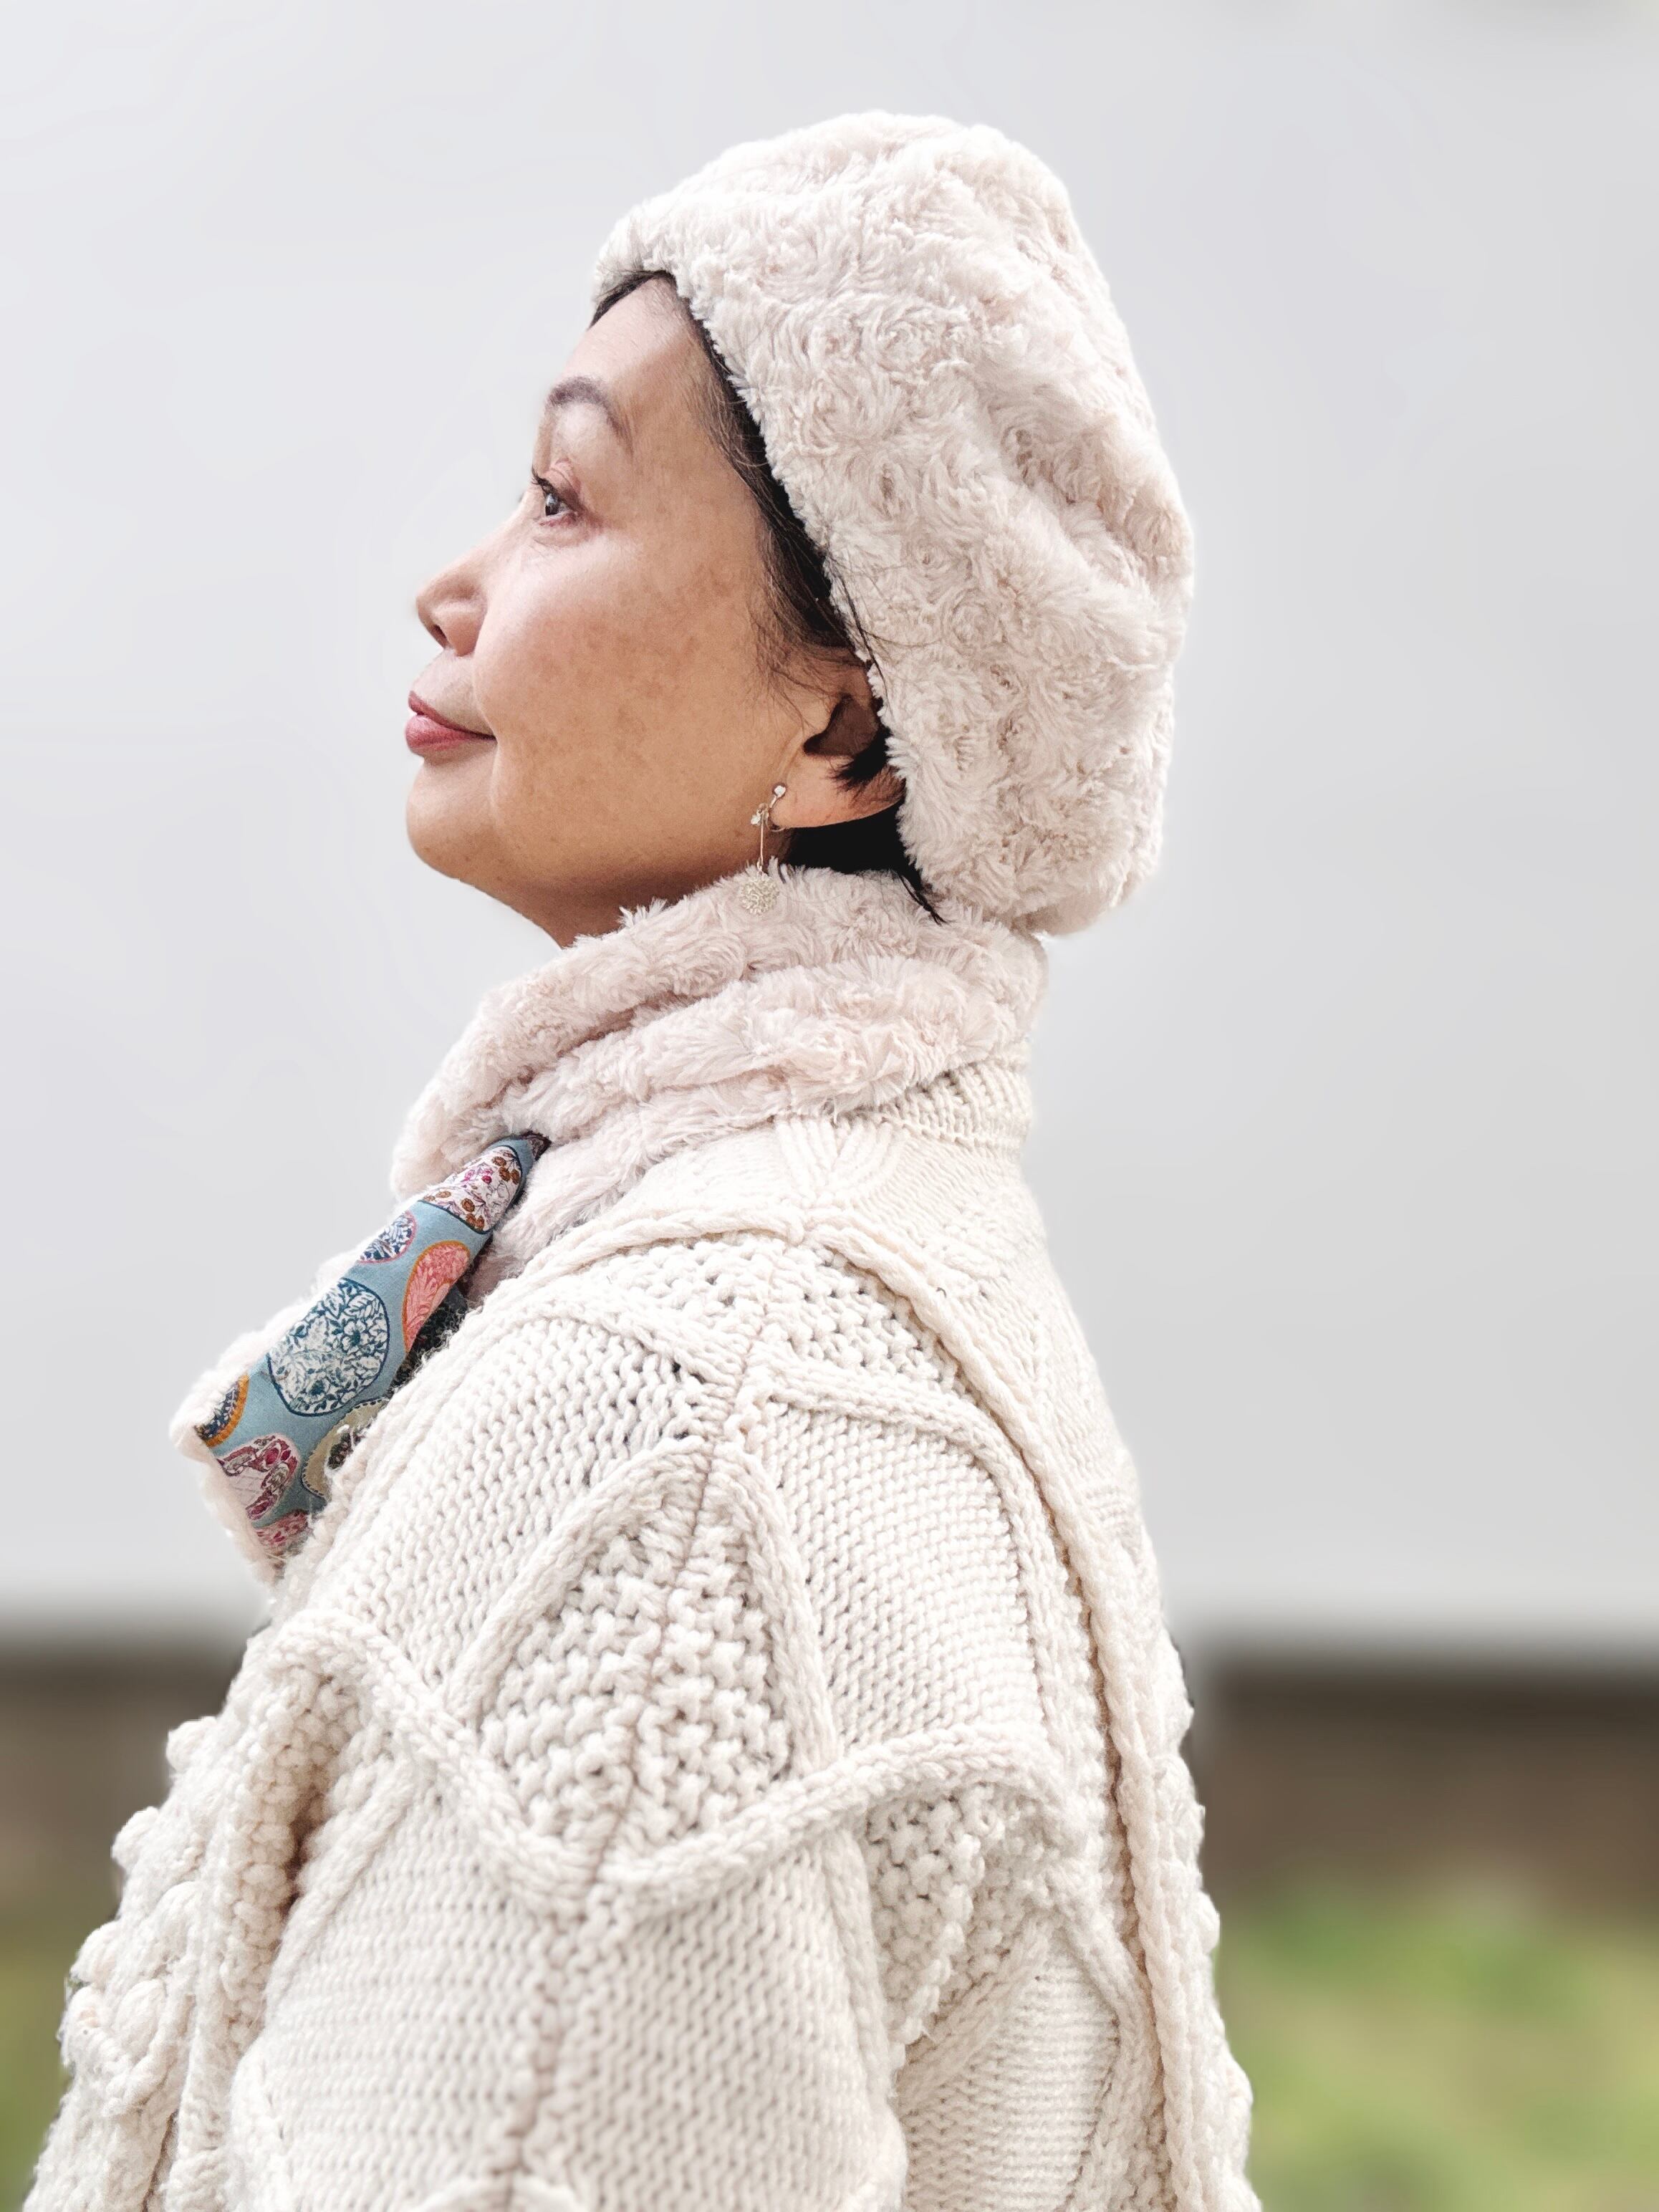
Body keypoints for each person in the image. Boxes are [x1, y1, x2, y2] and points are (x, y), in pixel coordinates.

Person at [30, 113, 1255, 2212]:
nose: (452, 585)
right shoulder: (853, 1231)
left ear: (845, 734)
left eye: (560, 497)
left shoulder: (677, 1461)